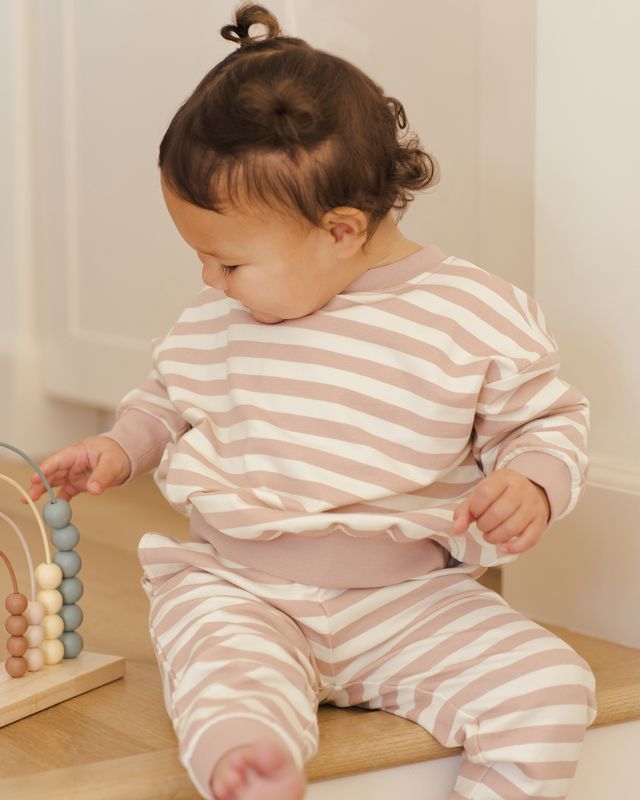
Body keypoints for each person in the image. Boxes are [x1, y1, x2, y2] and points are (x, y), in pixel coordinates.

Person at [28, 3, 597, 799]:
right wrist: (121, 445)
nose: (208, 281)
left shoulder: (471, 313)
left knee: (552, 684)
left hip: (408, 601)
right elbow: (170, 399)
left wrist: (531, 480)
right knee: (225, 688)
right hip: (240, 588)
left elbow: (546, 418)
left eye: (227, 262)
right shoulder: (221, 318)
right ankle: (252, 771)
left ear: (340, 231)